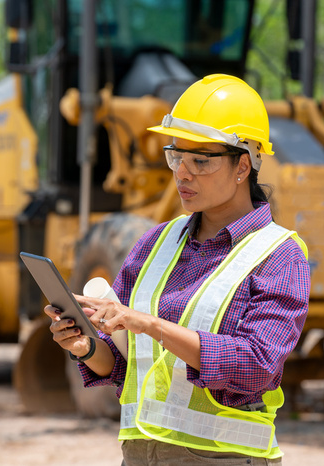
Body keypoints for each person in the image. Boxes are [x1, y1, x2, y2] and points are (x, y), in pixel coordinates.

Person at [45, 74, 310, 465]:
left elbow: (257, 366)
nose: (182, 173)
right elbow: (124, 366)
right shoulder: (154, 245)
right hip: (140, 453)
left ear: (243, 166)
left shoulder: (279, 255)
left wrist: (149, 324)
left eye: (200, 161)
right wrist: (86, 348)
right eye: (176, 157)